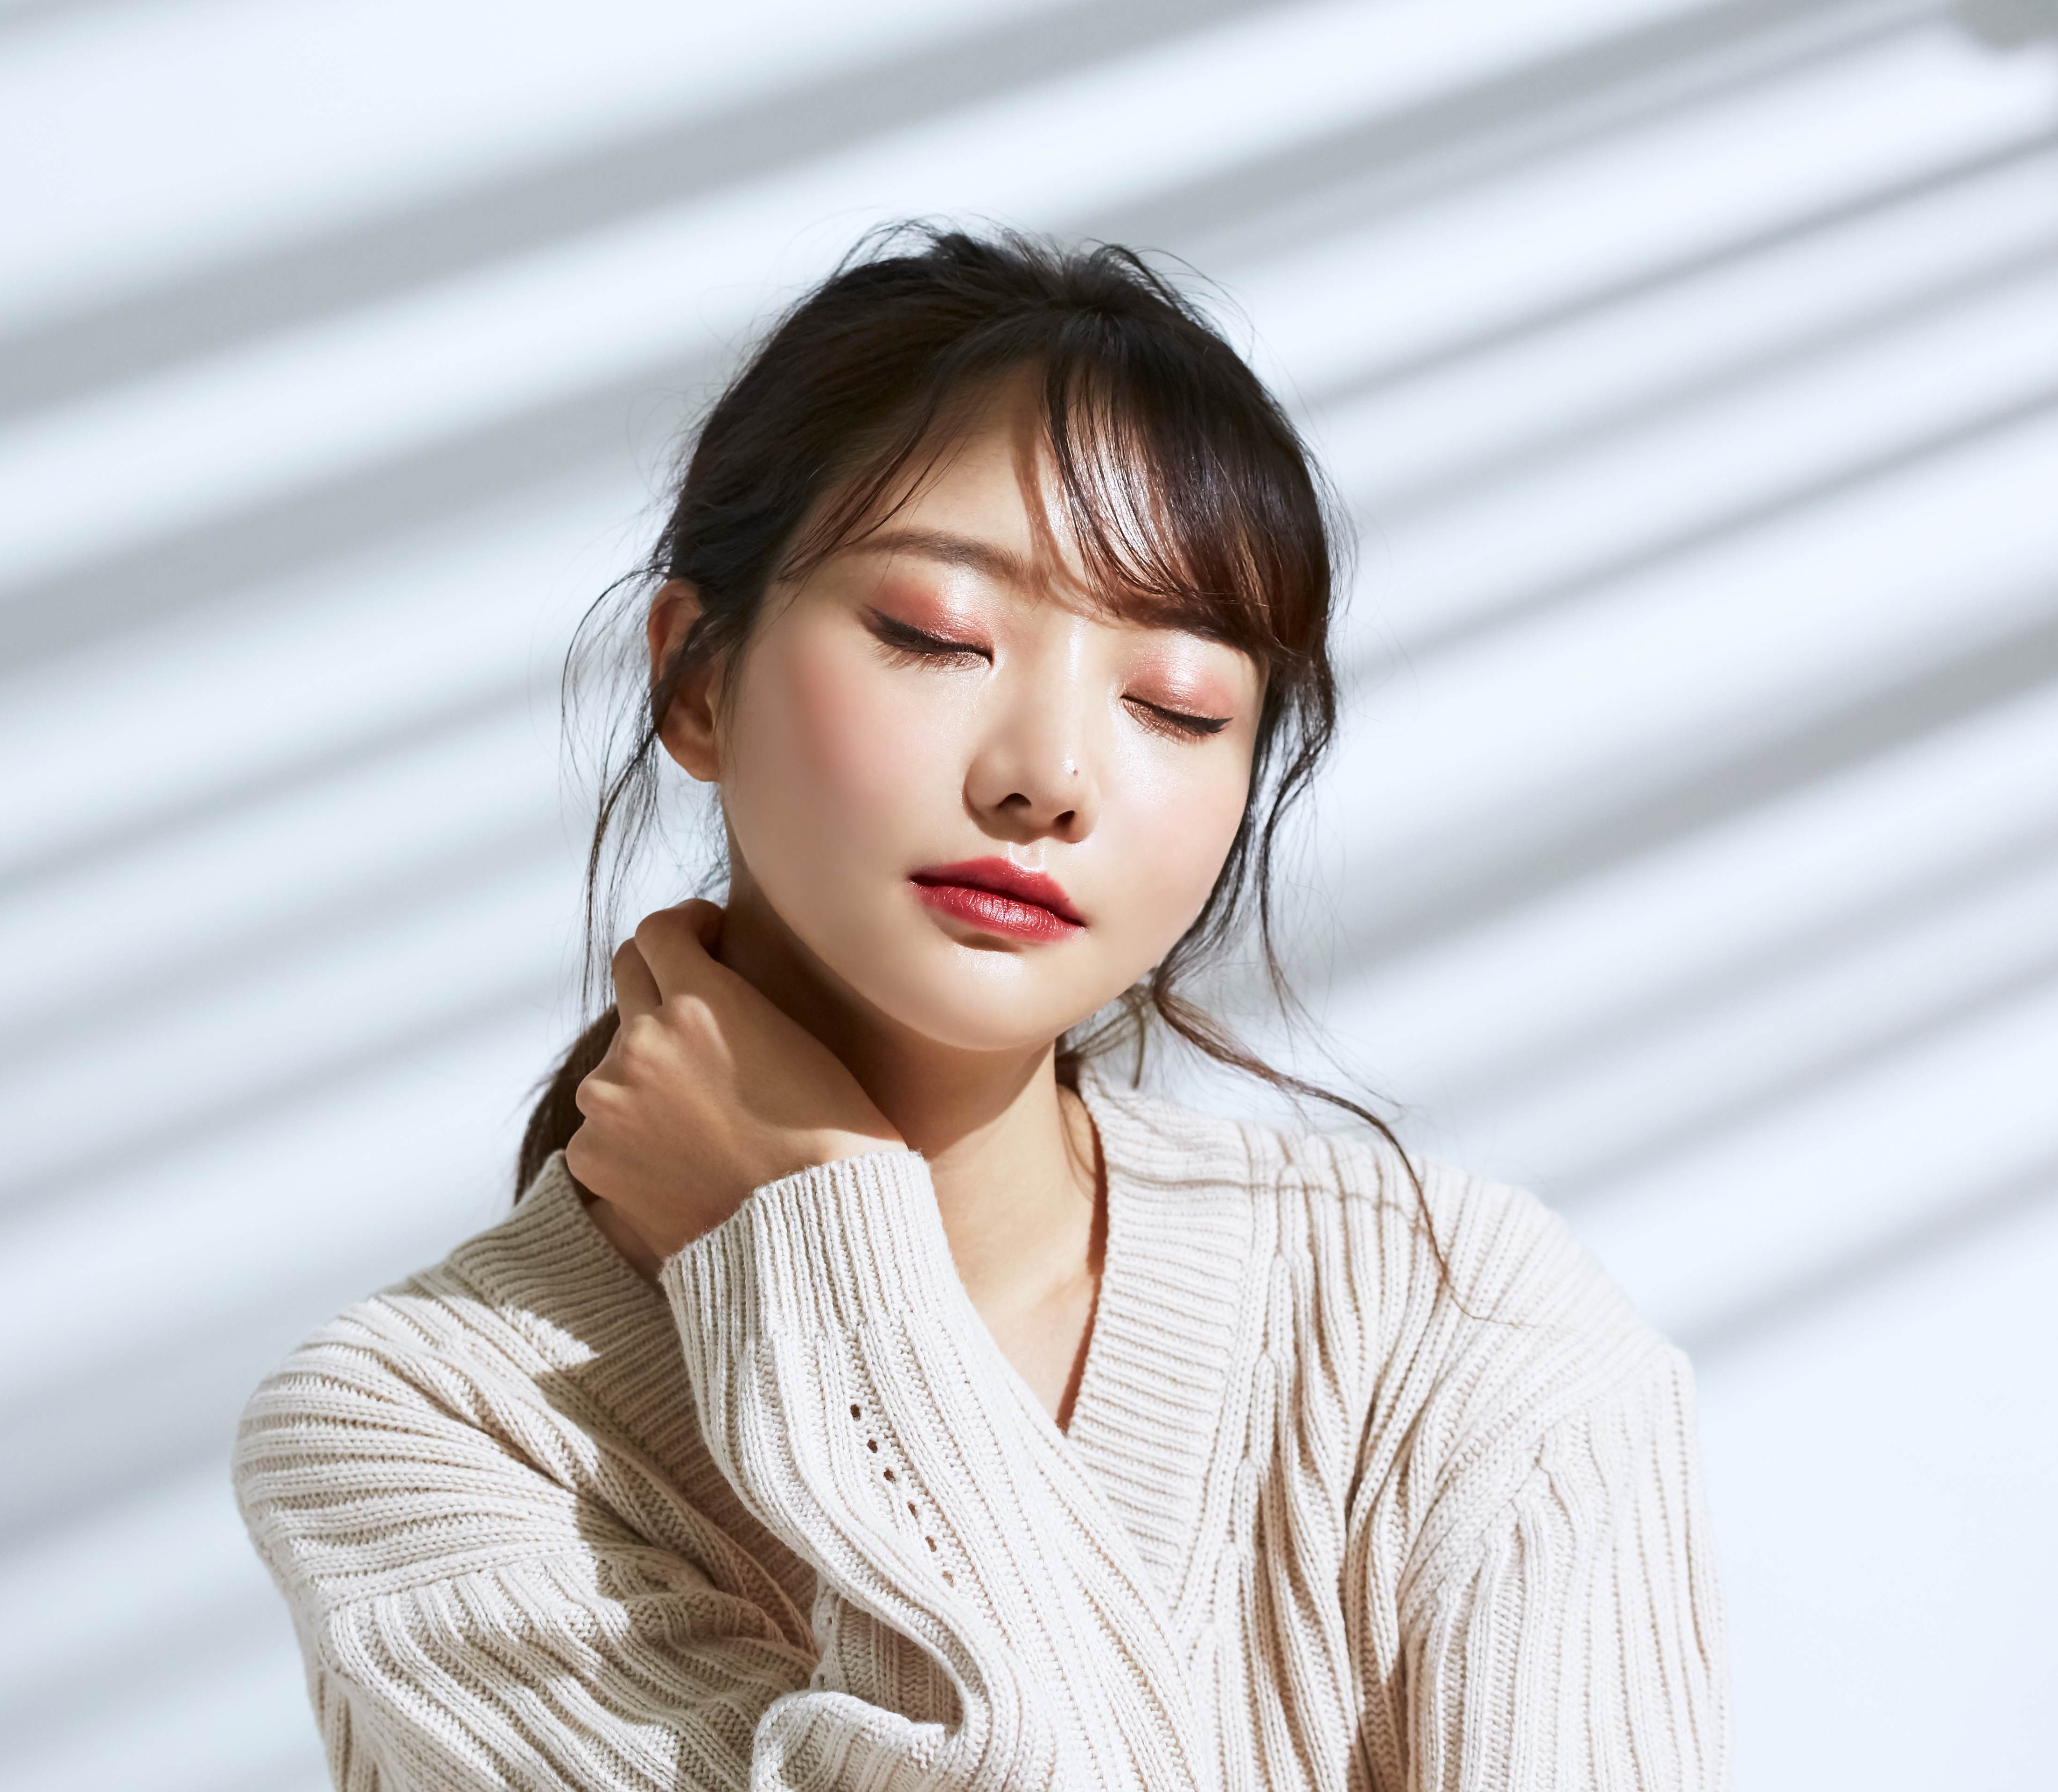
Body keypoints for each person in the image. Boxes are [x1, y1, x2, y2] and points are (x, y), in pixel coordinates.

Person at [232, 227, 1730, 1791]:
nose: (1048, 776)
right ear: (695, 681)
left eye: (1176, 705)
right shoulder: (427, 1433)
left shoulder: (1454, 1325)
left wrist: (803, 1227)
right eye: (937, 636)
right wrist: (826, 1254)